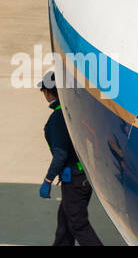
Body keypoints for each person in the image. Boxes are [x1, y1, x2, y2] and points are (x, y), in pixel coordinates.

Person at [38, 70, 102, 246]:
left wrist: (47, 180)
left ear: (49, 92)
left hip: (74, 180)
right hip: (82, 178)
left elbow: (60, 154)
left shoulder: (58, 119)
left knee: (78, 225)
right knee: (65, 224)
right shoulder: (75, 111)